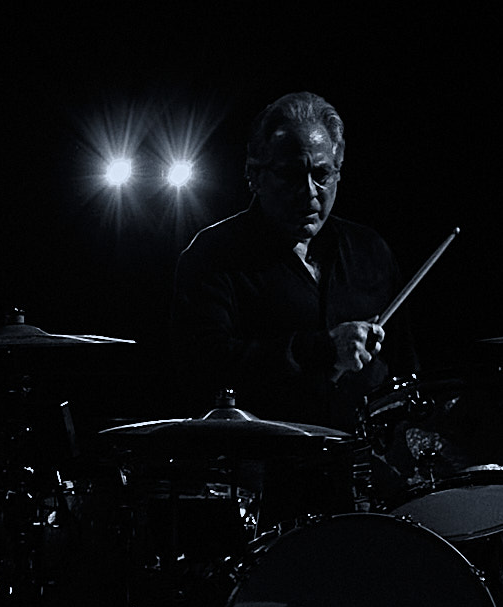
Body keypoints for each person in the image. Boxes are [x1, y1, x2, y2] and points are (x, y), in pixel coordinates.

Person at [170, 92, 414, 432]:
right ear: (254, 175)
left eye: (322, 174)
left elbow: (405, 371)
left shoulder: (370, 250)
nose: (310, 191)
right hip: (264, 471)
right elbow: (204, 369)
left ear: (339, 171)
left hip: (370, 470)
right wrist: (322, 349)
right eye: (292, 175)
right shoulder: (213, 254)